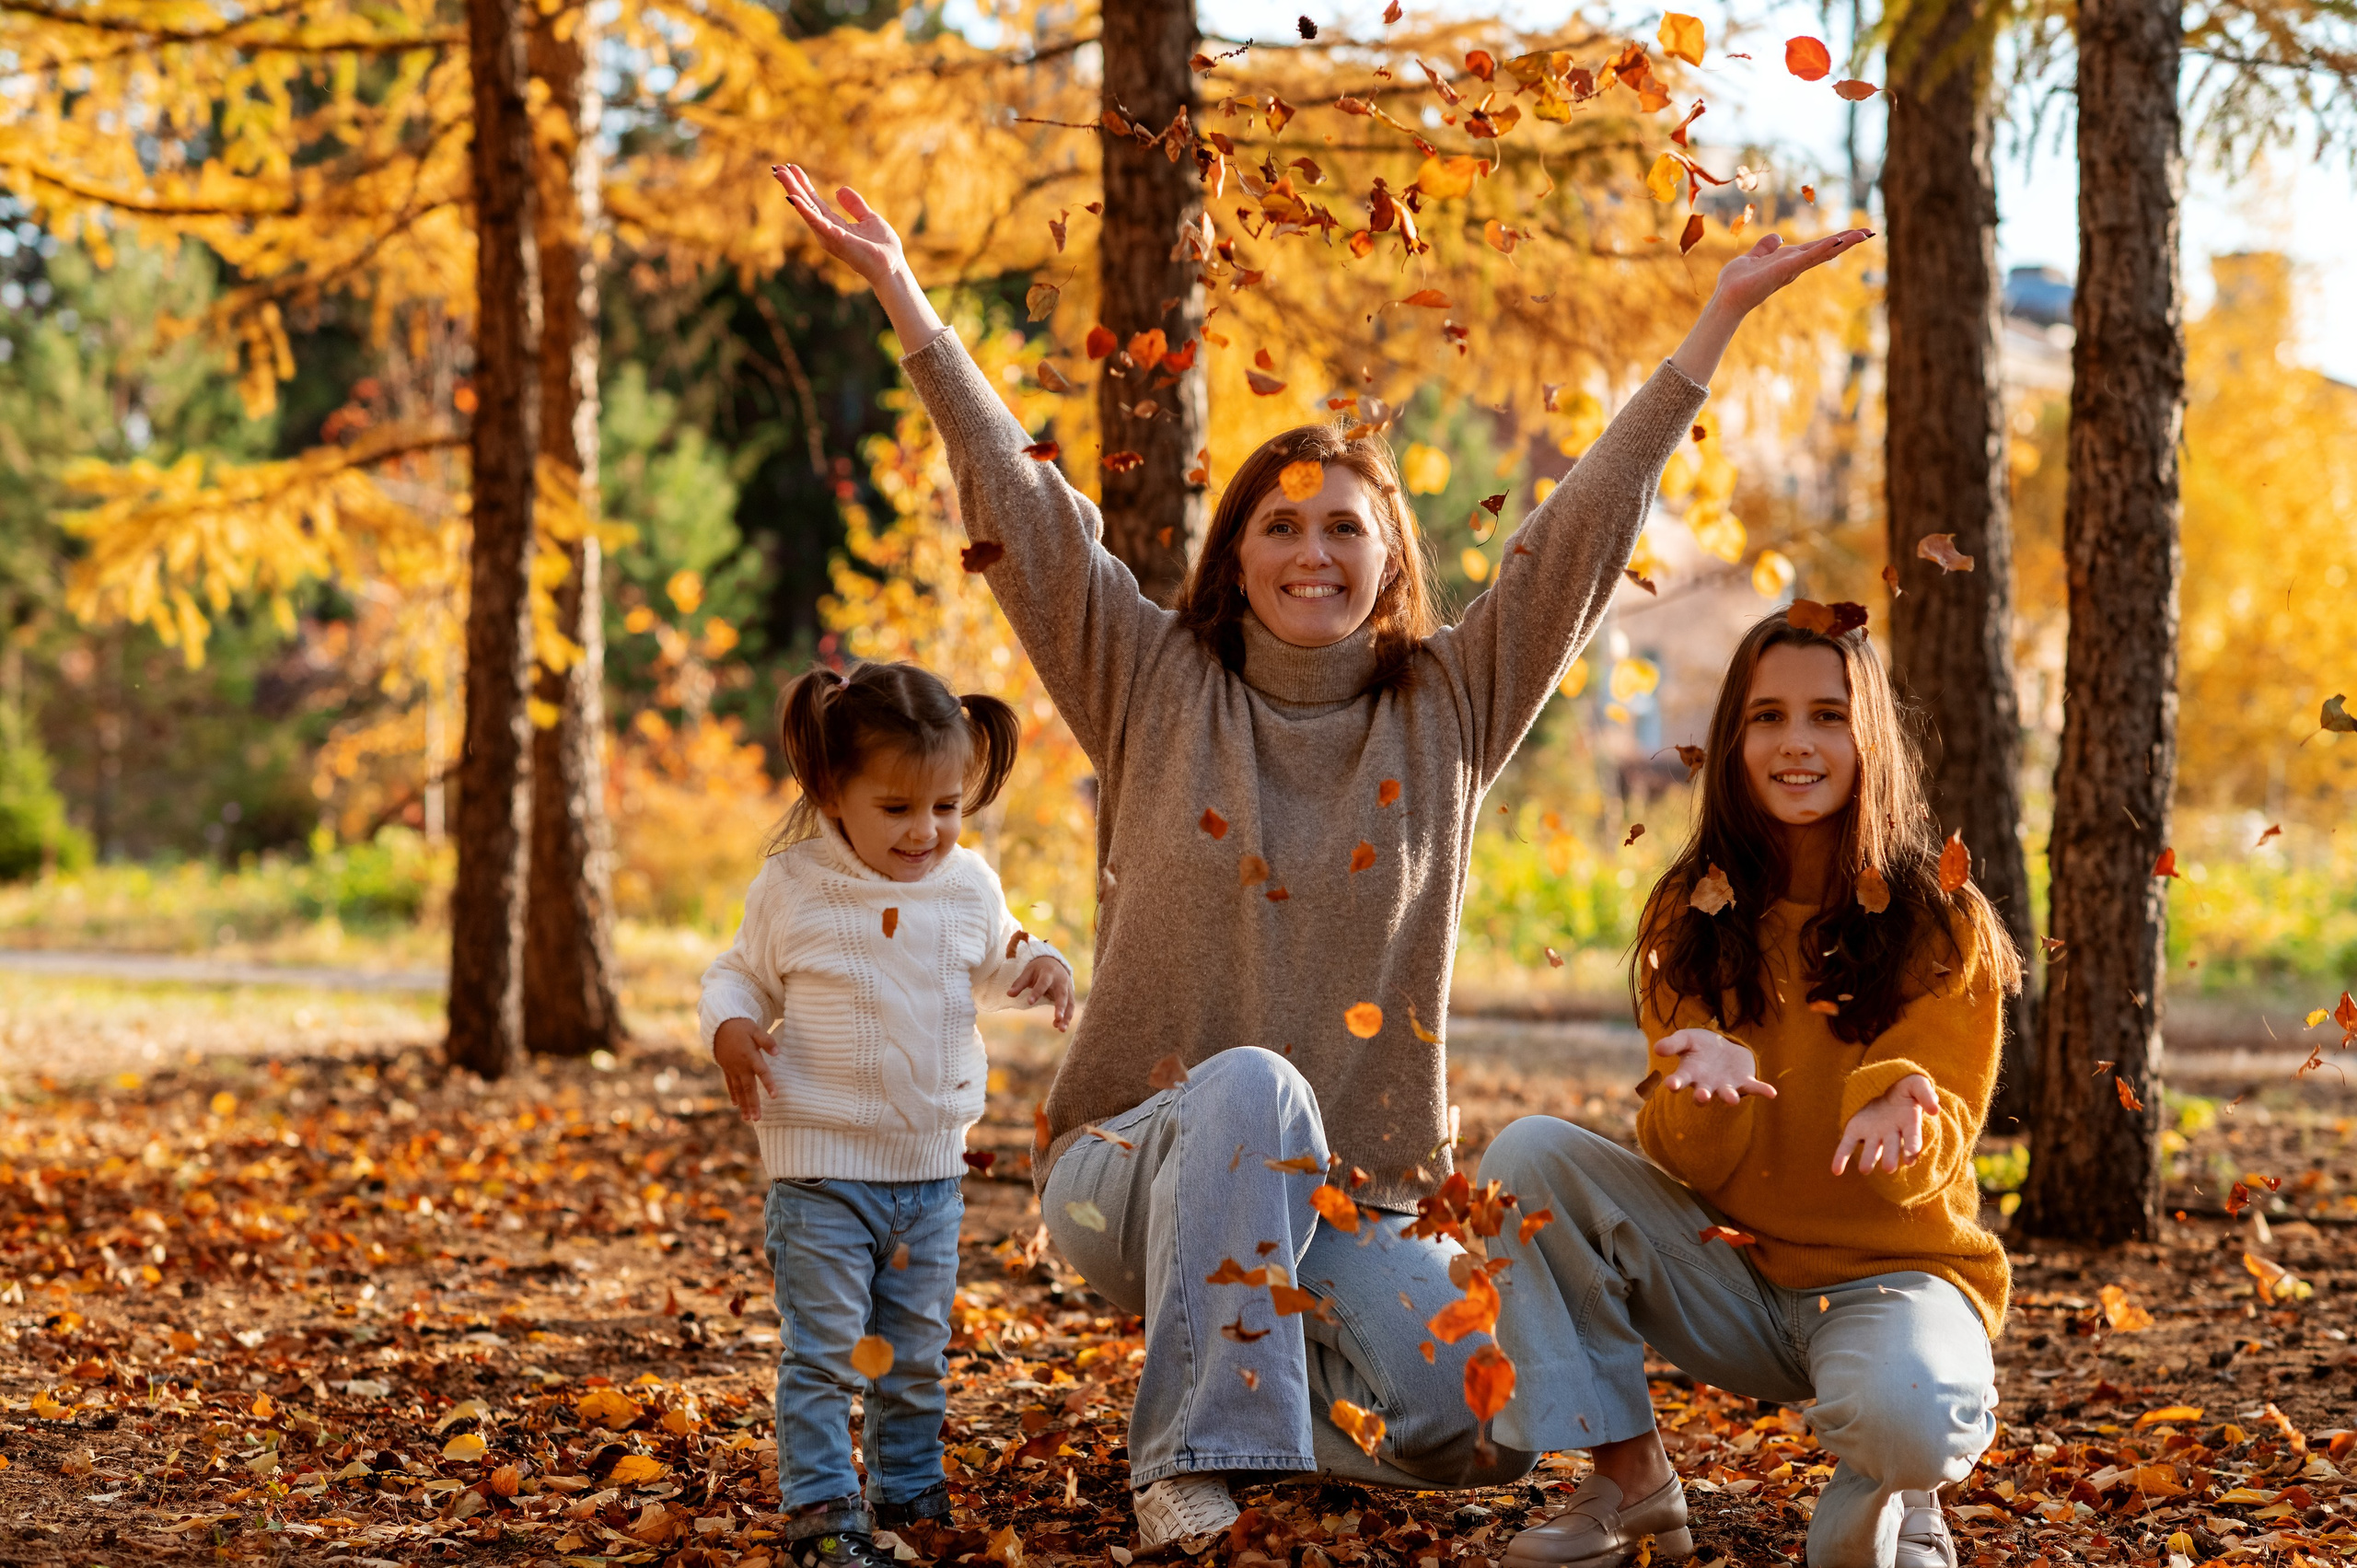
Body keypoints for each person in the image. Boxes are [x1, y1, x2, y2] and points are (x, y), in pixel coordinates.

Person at [772, 159, 1869, 1552]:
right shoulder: (1150, 678)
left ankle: (1266, 1399)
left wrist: (1709, 329)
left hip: (1363, 1191)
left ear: (1389, 554)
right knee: (1249, 1087)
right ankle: (1191, 1460)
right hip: (1133, 1164)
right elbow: (1028, 515)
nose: (1311, 551)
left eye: (1342, 525)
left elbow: (1578, 536)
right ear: (1235, 557)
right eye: (1280, 524)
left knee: (1478, 1427)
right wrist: (907, 300)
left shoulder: (1449, 704)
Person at [1480, 610, 2023, 1568]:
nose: (1796, 743)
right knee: (1525, 1153)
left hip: (1892, 1275)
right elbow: (1679, 1157)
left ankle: (1901, 1498)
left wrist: (1904, 1098)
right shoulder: (1689, 910)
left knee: (1909, 1421)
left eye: (1826, 714)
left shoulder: (1944, 919)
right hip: (1729, 1271)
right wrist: (1705, 1089)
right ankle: (1627, 1473)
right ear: (1734, 739)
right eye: (1767, 716)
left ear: (1871, 738)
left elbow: (1928, 1151)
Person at [701, 661, 1075, 1568]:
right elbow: (737, 972)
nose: (927, 830)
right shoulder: (794, 884)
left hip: (930, 1177)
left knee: (913, 1353)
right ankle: (824, 1510)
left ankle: (908, 1489)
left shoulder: (965, 883)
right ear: (834, 788)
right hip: (821, 1173)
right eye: (899, 807)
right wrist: (734, 1027)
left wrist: (1043, 963)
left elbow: (998, 955)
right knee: (827, 1353)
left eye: (946, 805)